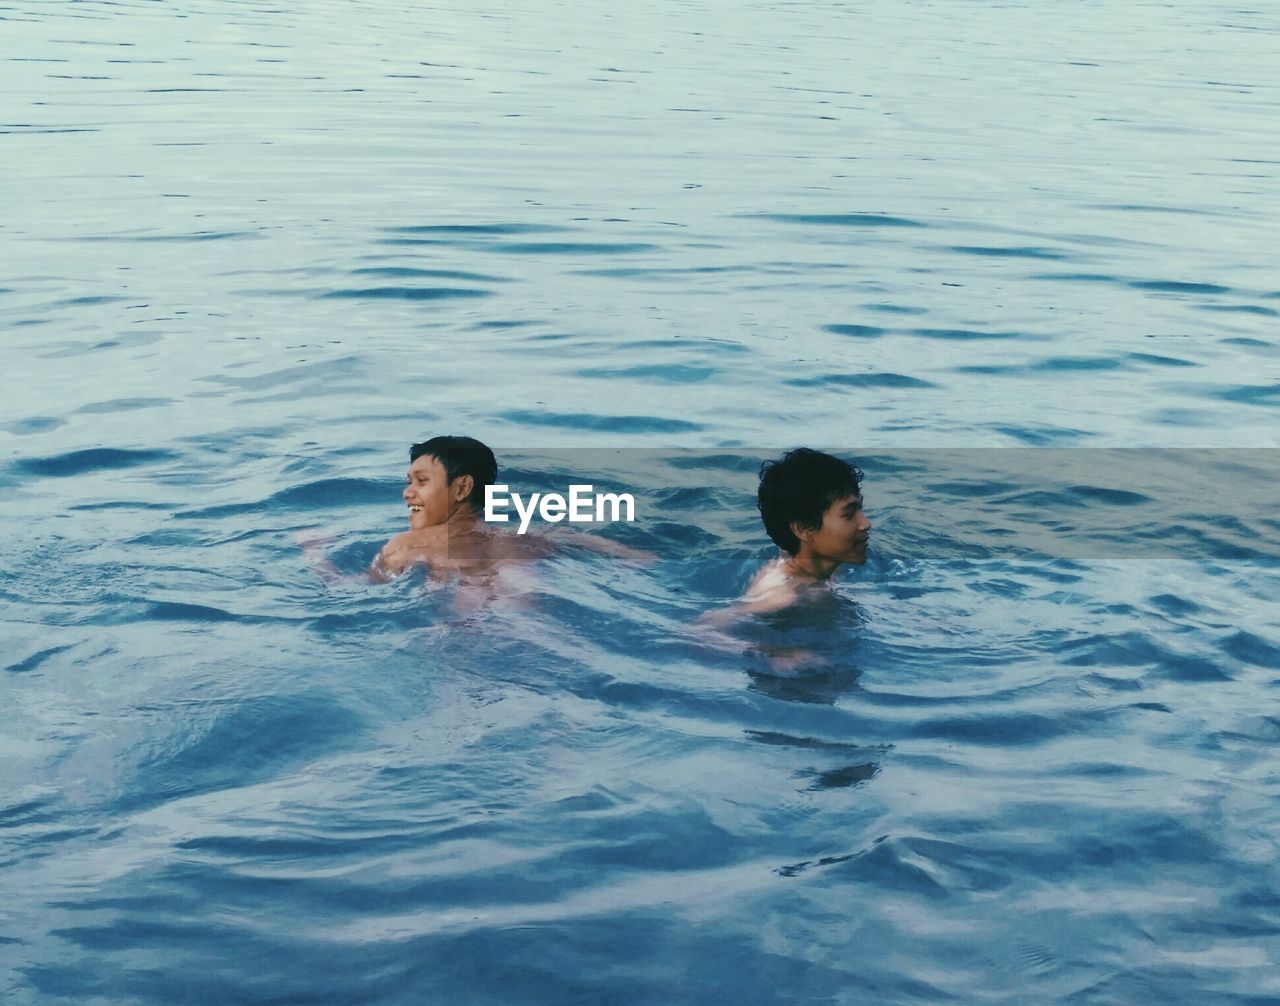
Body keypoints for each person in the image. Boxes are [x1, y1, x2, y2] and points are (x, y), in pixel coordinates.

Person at [736, 448, 871, 614]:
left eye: (860, 508)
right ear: (803, 529)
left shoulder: (822, 565)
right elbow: (717, 627)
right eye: (849, 514)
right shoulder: (780, 598)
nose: (865, 523)